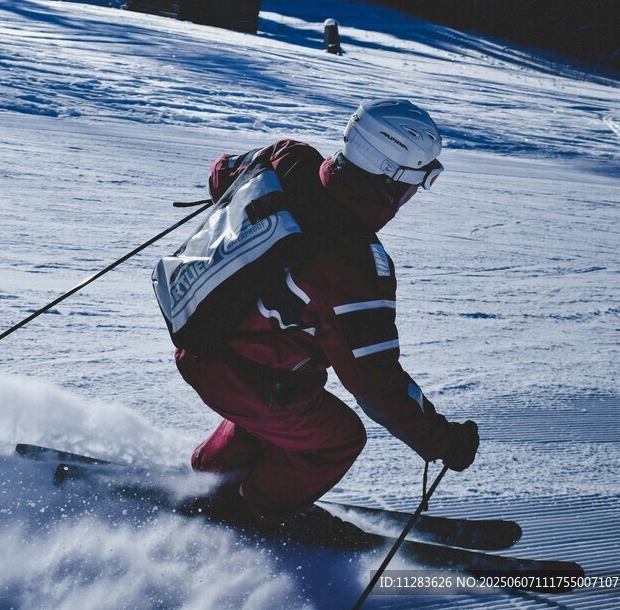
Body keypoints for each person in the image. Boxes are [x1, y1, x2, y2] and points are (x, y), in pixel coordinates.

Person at [174, 99, 479, 540]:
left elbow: (221, 173)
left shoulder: (289, 157)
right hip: (244, 377)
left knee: (292, 397)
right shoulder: (353, 266)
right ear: (391, 181)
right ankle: (251, 511)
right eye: (420, 181)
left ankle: (212, 476)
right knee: (336, 437)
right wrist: (442, 441)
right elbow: (376, 383)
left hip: (198, 337)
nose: (416, 194)